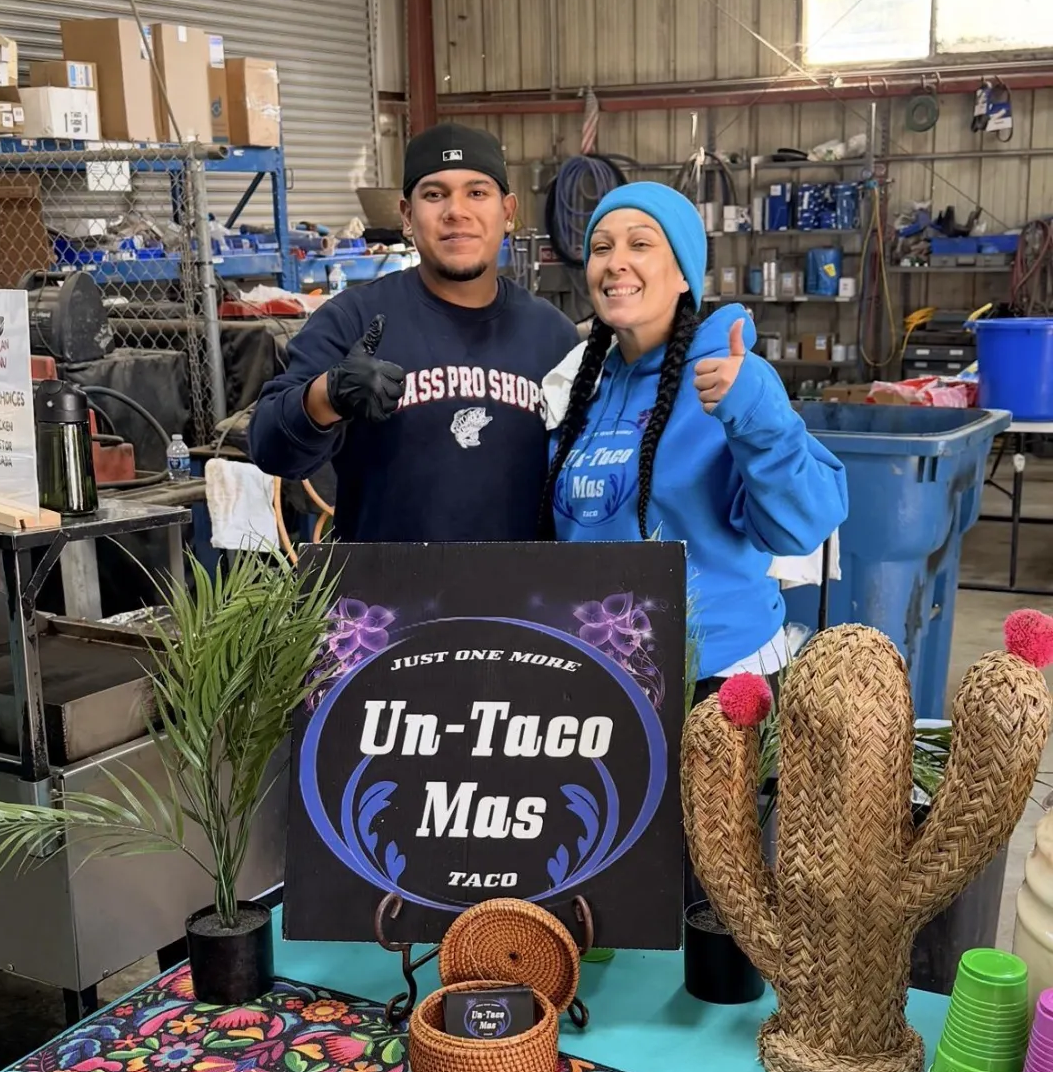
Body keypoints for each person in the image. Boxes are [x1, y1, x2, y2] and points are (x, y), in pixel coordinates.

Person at [541, 182, 848, 686]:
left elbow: (801, 526)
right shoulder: (579, 385)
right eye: (602, 247)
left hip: (718, 678)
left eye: (640, 245)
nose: (617, 262)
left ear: (683, 273)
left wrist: (755, 414)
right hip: (604, 673)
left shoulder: (729, 375)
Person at [249, 123, 578, 542]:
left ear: (508, 211)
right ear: (407, 215)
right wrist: (325, 396)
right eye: (435, 194)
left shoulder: (553, 337)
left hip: (522, 601)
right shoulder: (354, 320)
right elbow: (271, 450)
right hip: (384, 602)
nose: (456, 211)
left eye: (476, 193)